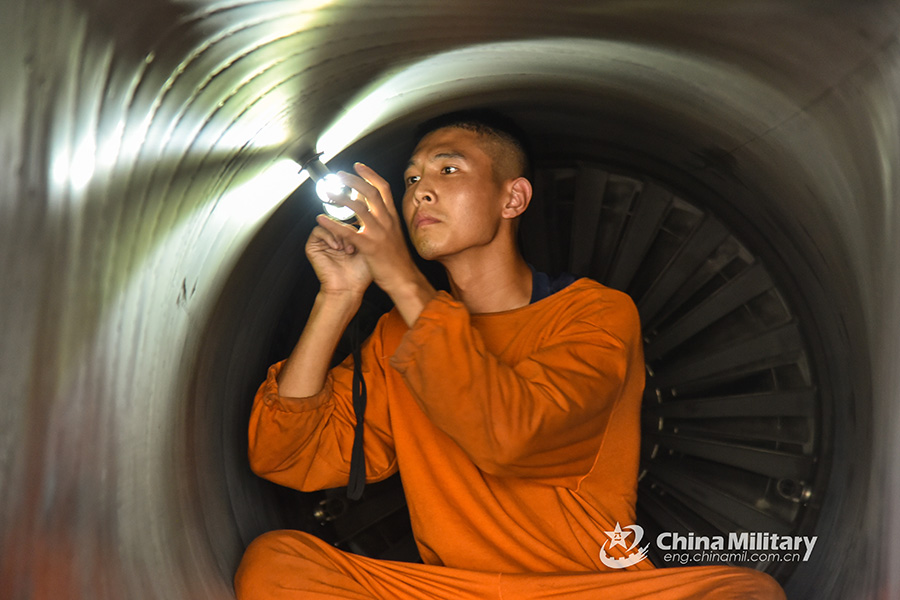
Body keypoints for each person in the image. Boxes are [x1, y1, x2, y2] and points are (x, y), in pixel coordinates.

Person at [234, 111, 786, 599]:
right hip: (458, 589)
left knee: (746, 592)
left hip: (588, 588)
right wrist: (338, 298)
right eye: (411, 178)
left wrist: (401, 277)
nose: (421, 190)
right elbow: (287, 455)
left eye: (448, 170)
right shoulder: (395, 335)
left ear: (512, 198)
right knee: (276, 565)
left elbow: (512, 436)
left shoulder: (596, 314)